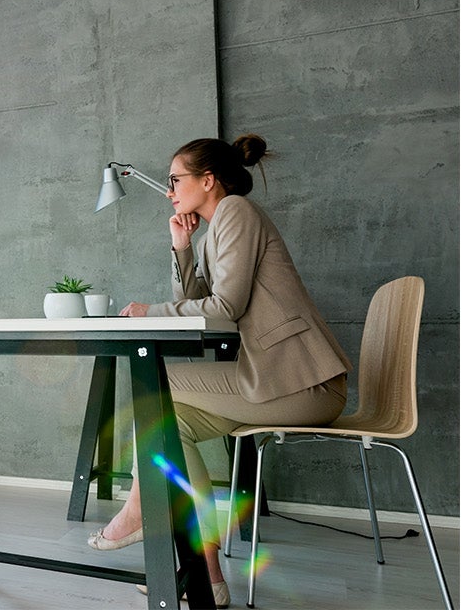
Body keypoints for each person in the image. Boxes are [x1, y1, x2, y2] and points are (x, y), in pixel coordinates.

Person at [88, 134, 349, 606]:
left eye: (176, 179)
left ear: (208, 180)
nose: (170, 190)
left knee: (154, 385)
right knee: (172, 425)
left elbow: (224, 307)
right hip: (276, 379)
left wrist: (150, 312)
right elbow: (197, 304)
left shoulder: (236, 213)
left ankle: (136, 508)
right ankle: (208, 575)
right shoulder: (215, 230)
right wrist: (182, 247)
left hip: (304, 380)